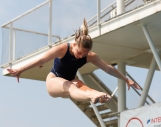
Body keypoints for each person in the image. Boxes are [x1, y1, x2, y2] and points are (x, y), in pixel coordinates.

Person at [7, 18, 140, 104]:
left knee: (84, 86)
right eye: (79, 52)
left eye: (85, 54)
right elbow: (41, 59)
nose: (81, 56)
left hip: (71, 80)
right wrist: (20, 70)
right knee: (72, 86)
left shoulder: (90, 56)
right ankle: (91, 97)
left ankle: (98, 96)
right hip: (54, 81)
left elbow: (108, 68)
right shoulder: (63, 49)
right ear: (75, 44)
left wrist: (126, 79)